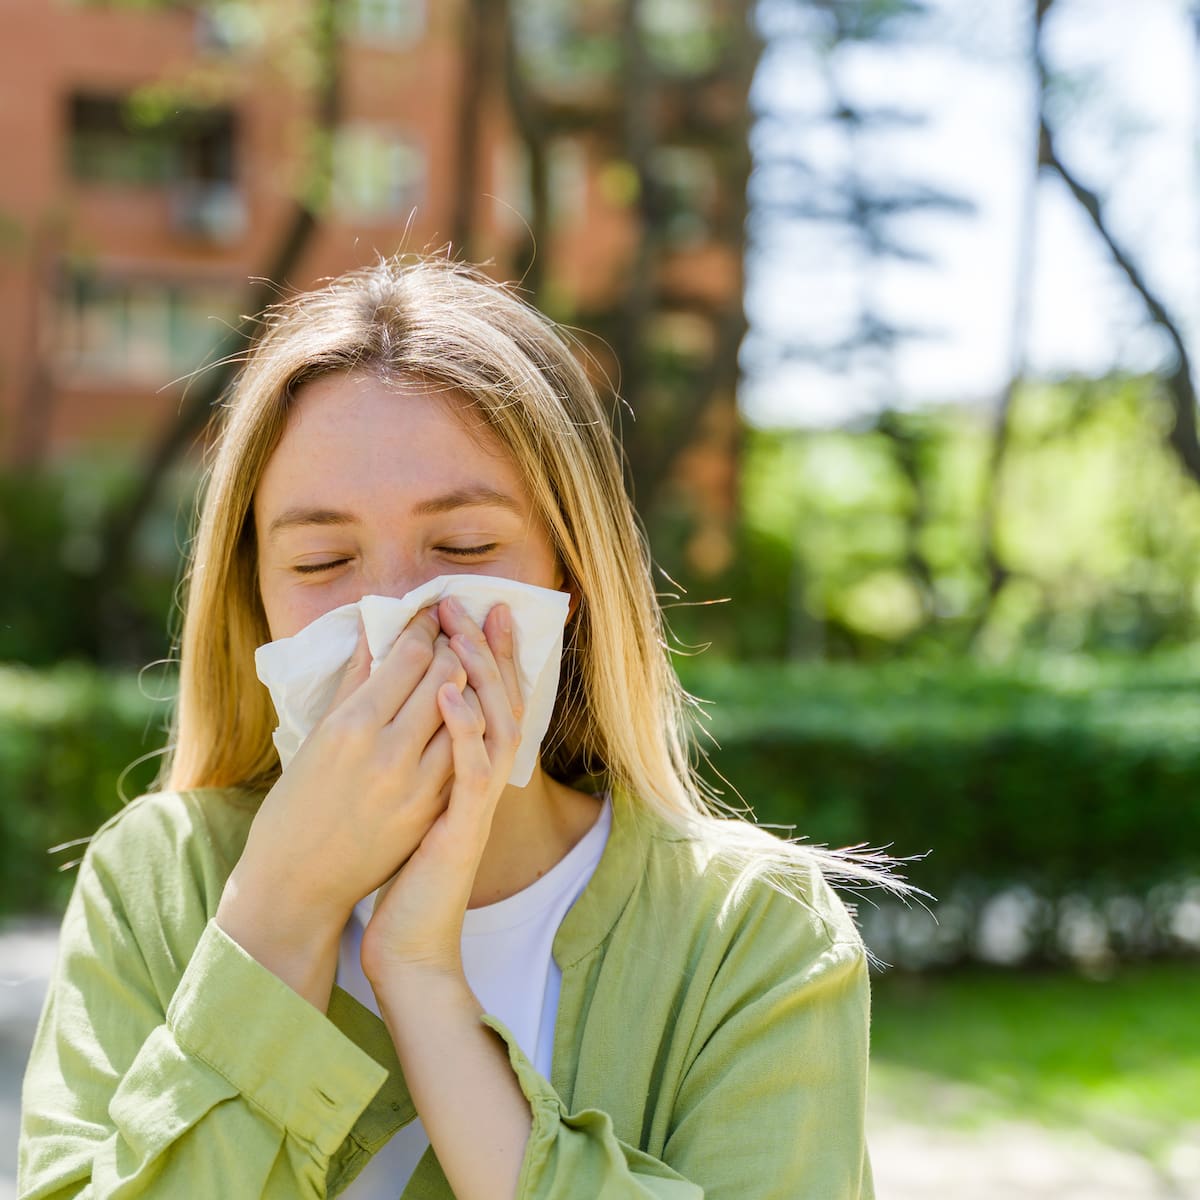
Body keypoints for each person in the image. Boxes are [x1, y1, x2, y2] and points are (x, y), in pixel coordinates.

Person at [18, 256, 902, 1199]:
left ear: (569, 574)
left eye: (466, 548)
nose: (395, 615)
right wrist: (281, 914)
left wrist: (425, 983)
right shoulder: (161, 881)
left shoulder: (748, 934)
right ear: (256, 601)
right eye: (322, 561)